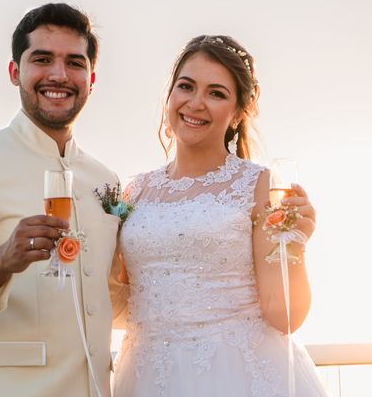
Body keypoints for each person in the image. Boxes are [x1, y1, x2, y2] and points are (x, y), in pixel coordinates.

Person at [0, 3, 127, 397]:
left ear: (91, 78)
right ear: (15, 72)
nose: (59, 75)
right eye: (42, 59)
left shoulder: (106, 180)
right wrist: (1, 261)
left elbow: (107, 299)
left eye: (74, 62)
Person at [112, 35, 328, 396]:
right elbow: (116, 295)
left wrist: (295, 245)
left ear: (238, 114)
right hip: (145, 373)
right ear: (169, 97)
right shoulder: (134, 191)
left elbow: (285, 315)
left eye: (216, 93)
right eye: (186, 86)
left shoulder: (258, 184)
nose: (196, 103)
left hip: (239, 373)